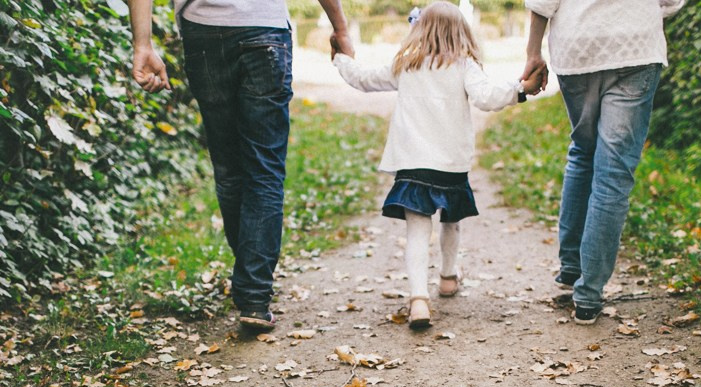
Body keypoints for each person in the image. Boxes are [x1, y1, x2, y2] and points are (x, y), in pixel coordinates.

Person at [127, 0, 354, 331]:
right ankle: (254, 296)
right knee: (265, 169)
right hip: (264, 30)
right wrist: (340, 27)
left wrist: (143, 44)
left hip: (203, 32)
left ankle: (250, 280)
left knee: (229, 166)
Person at [332, 1, 545, 329]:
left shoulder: (405, 65)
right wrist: (521, 90)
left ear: (419, 29)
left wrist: (340, 58)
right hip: (449, 163)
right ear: (462, 32)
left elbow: (362, 79)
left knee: (417, 230)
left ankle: (418, 299)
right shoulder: (464, 66)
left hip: (413, 163)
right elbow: (488, 97)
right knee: (451, 220)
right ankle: (448, 275)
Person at [521, 0, 684, 325]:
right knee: (613, 174)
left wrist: (533, 52)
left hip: (578, 46)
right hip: (636, 47)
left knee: (583, 153)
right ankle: (588, 295)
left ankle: (571, 270)